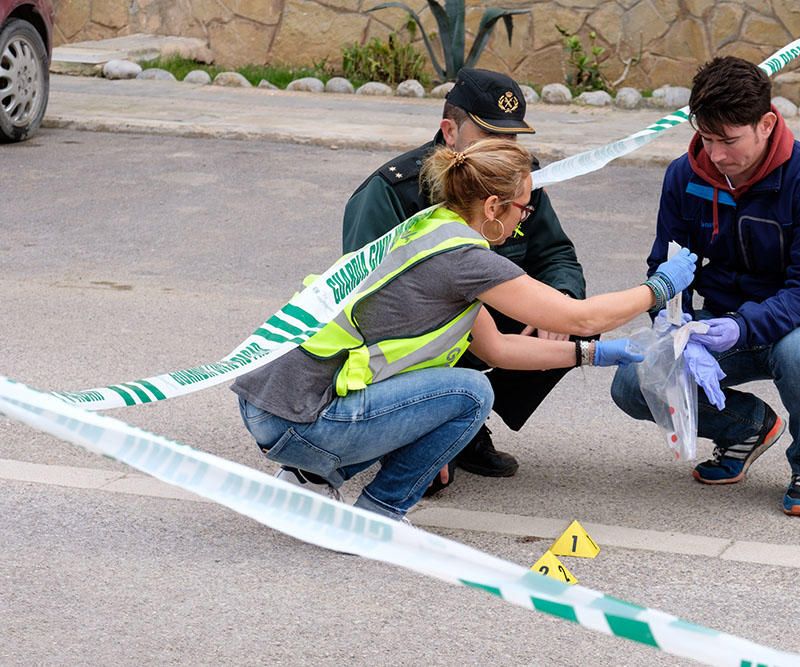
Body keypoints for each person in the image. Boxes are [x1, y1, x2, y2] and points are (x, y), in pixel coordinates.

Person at [233, 140, 698, 520]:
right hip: (299, 420)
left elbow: (497, 347)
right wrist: (659, 286)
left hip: (272, 406)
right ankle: (375, 519)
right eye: (523, 208)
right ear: (493, 206)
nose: (525, 219)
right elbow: (580, 318)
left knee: (456, 383)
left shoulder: (430, 230)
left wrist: (592, 355)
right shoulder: (465, 260)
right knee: (471, 393)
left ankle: (306, 480)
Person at [611, 56, 800, 517]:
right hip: (722, 321)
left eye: (729, 140)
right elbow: (662, 266)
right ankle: (747, 427)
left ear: (767, 124)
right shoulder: (684, 176)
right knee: (632, 382)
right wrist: (671, 323)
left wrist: (743, 326)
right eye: (707, 138)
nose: (717, 154)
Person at [342, 67, 587, 487]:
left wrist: (559, 300)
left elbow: (556, 254)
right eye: (490, 135)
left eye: (511, 138)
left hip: (485, 323)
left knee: (571, 321)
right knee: (427, 482)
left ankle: (468, 424)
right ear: (449, 131)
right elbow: (365, 303)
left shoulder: (518, 181)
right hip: (418, 337)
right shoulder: (392, 191)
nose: (504, 148)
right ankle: (407, 427)